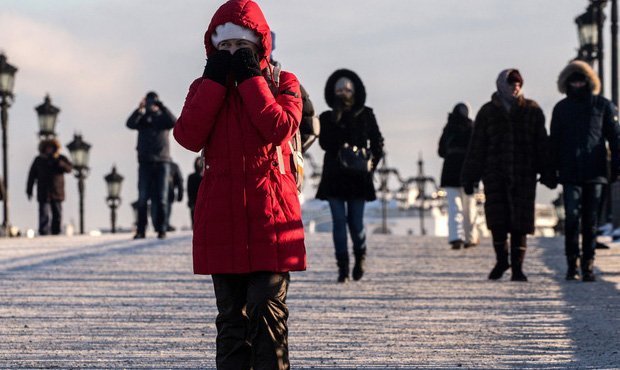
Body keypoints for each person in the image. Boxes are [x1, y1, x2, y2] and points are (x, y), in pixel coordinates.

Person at [173, 1, 306, 368]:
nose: (232, 54)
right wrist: (214, 84)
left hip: (271, 214)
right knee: (232, 320)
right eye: (225, 47)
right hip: (221, 215)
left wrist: (250, 79)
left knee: (268, 313)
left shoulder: (284, 82)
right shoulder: (203, 86)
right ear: (212, 49)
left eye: (241, 47)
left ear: (259, 47)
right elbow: (187, 136)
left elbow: (279, 127)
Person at [461, 69, 554, 282]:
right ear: (501, 85)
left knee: (520, 224)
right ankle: (502, 260)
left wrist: (548, 171)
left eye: (518, 84)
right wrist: (470, 176)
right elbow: (477, 147)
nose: (515, 87)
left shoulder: (532, 110)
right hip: (495, 174)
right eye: (511, 83)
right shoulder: (487, 113)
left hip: (524, 174)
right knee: (498, 221)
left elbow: (542, 143)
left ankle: (518, 268)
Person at [550, 60, 620, 282]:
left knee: (590, 220)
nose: (578, 84)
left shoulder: (603, 106)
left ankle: (588, 264)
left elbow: (615, 138)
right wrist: (551, 172)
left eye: (581, 80)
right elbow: (554, 143)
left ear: (589, 81)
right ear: (567, 83)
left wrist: (616, 167)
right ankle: (573, 263)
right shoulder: (561, 108)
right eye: (574, 81)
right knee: (571, 217)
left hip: (595, 172)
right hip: (570, 172)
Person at [315, 69, 385, 283]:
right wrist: (335, 119)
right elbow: (324, 144)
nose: (344, 93)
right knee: (338, 222)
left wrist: (370, 165)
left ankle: (360, 257)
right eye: (339, 89)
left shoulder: (366, 114)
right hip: (334, 176)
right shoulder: (326, 117)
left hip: (358, 178)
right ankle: (342, 267)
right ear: (332, 91)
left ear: (355, 89)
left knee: (356, 223)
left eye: (347, 89)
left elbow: (377, 142)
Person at [126, 91, 176, 240]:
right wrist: (139, 109)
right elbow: (129, 124)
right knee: (142, 198)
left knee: (162, 197)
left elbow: (174, 122)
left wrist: (162, 106)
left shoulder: (163, 119)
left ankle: (162, 229)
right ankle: (141, 230)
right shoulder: (142, 119)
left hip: (162, 161)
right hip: (145, 162)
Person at [438, 102, 478, 250]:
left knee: (454, 207)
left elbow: (441, 151)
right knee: (470, 206)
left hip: (450, 172)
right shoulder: (472, 127)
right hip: (469, 171)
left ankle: (456, 237)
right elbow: (477, 149)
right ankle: (471, 237)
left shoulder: (449, 128)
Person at [26, 138, 73, 235]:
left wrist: (59, 162)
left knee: (57, 214)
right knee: (44, 213)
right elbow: (31, 176)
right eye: (47, 148)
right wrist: (29, 190)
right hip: (43, 191)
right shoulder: (39, 160)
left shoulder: (60, 158)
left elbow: (69, 168)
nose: (49, 150)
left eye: (51, 148)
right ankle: (44, 232)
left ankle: (56, 232)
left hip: (57, 191)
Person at [152, 160, 183, 232]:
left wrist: (180, 193)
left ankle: (164, 225)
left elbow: (179, 180)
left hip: (169, 192)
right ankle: (160, 225)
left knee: (166, 208)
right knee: (157, 209)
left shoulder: (173, 166)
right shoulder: (155, 164)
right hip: (156, 192)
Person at [186, 156, 203, 227]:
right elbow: (189, 191)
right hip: (194, 202)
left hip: (202, 201)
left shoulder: (205, 177)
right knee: (195, 222)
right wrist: (190, 201)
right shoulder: (191, 177)